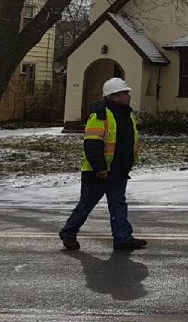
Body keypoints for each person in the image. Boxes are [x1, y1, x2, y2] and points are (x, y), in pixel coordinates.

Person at [59, 77, 147, 251]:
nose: (128, 96)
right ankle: (68, 232)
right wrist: (100, 168)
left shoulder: (127, 114)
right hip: (98, 172)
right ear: (114, 96)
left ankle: (123, 238)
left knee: (118, 205)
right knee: (86, 205)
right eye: (125, 93)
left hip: (118, 170)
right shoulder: (100, 115)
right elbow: (92, 144)